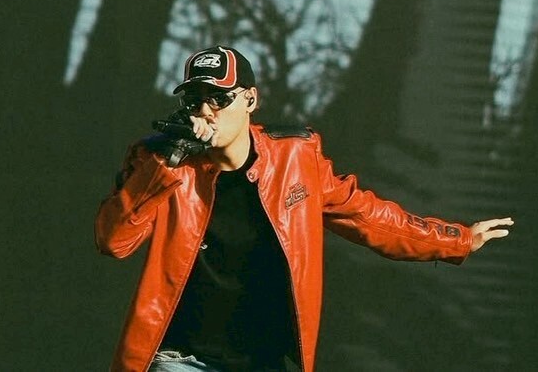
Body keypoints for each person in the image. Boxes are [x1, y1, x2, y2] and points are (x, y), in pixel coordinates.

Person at [95, 44, 513, 372]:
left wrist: (456, 239)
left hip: (261, 362)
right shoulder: (160, 162)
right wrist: (166, 163)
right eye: (195, 100)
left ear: (250, 100)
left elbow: (366, 216)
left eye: (219, 98)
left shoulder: (296, 159)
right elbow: (114, 241)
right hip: (181, 360)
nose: (206, 110)